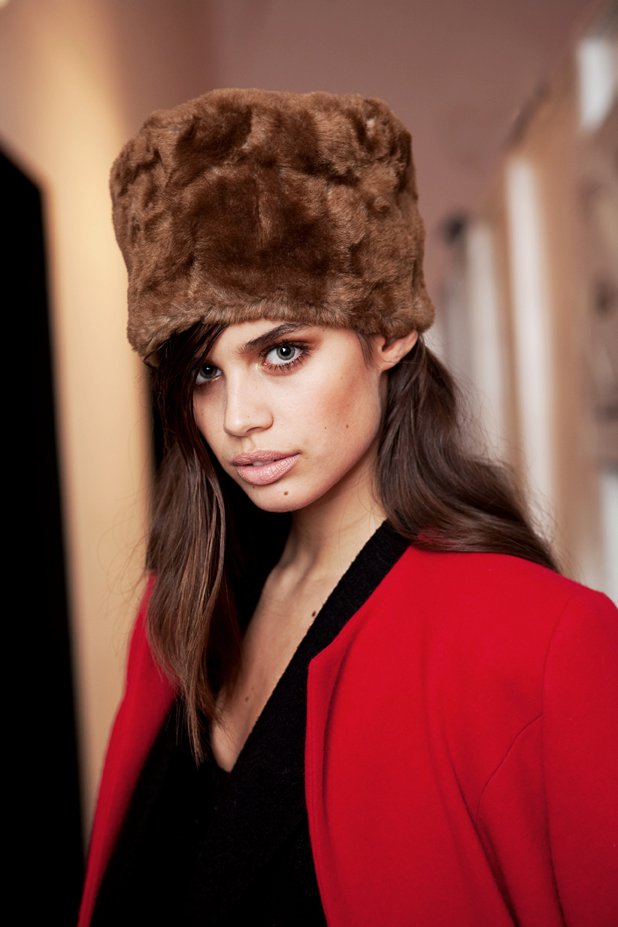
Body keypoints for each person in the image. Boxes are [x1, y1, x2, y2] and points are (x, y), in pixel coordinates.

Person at [77, 88, 618, 927]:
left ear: (389, 331)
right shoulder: (177, 614)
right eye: (205, 371)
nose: (237, 417)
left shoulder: (538, 644)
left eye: (282, 352)